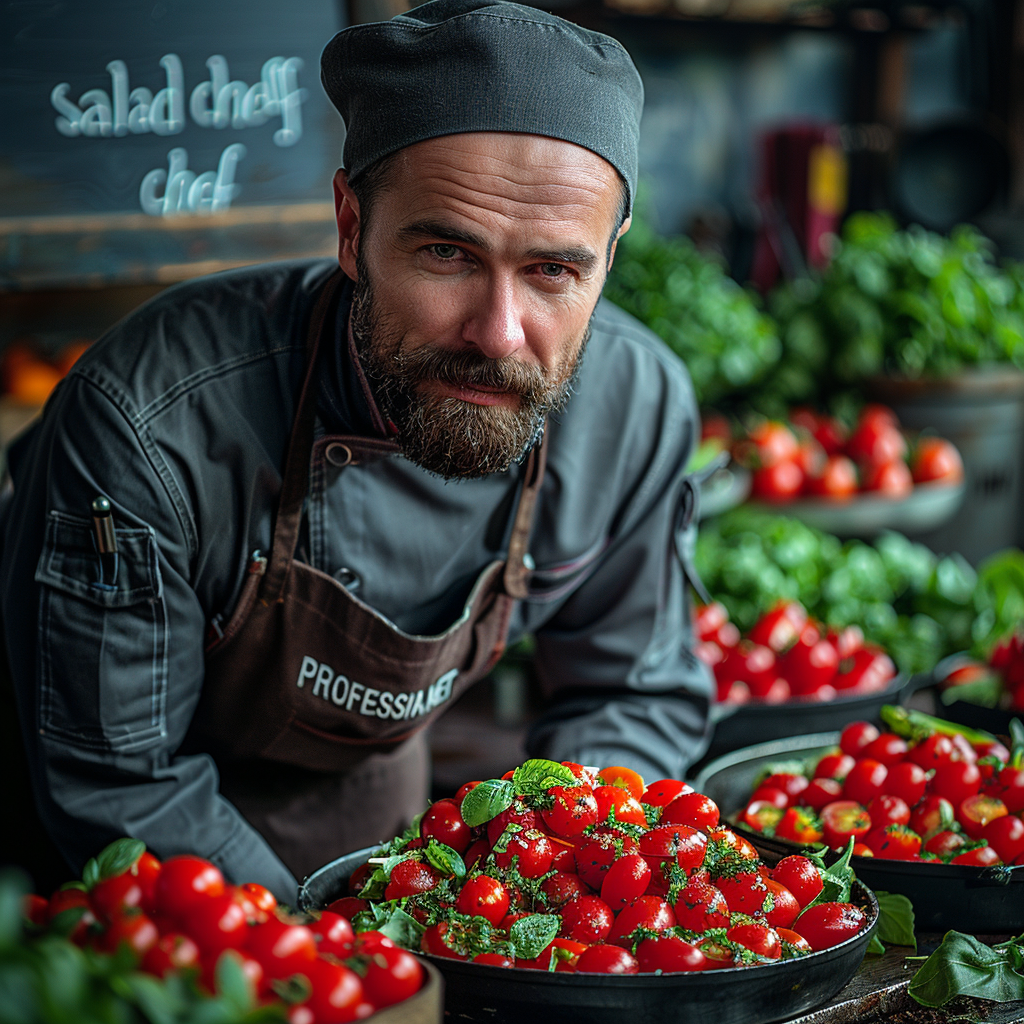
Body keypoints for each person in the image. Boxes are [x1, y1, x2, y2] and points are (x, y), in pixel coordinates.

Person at [0, 0, 711, 901]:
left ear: (610, 255)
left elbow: (631, 696)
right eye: (448, 253)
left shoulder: (636, 408)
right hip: (122, 897)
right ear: (350, 226)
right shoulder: (151, 422)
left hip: (371, 835)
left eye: (554, 271)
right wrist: (338, 949)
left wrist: (549, 896)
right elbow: (121, 784)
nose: (498, 333)